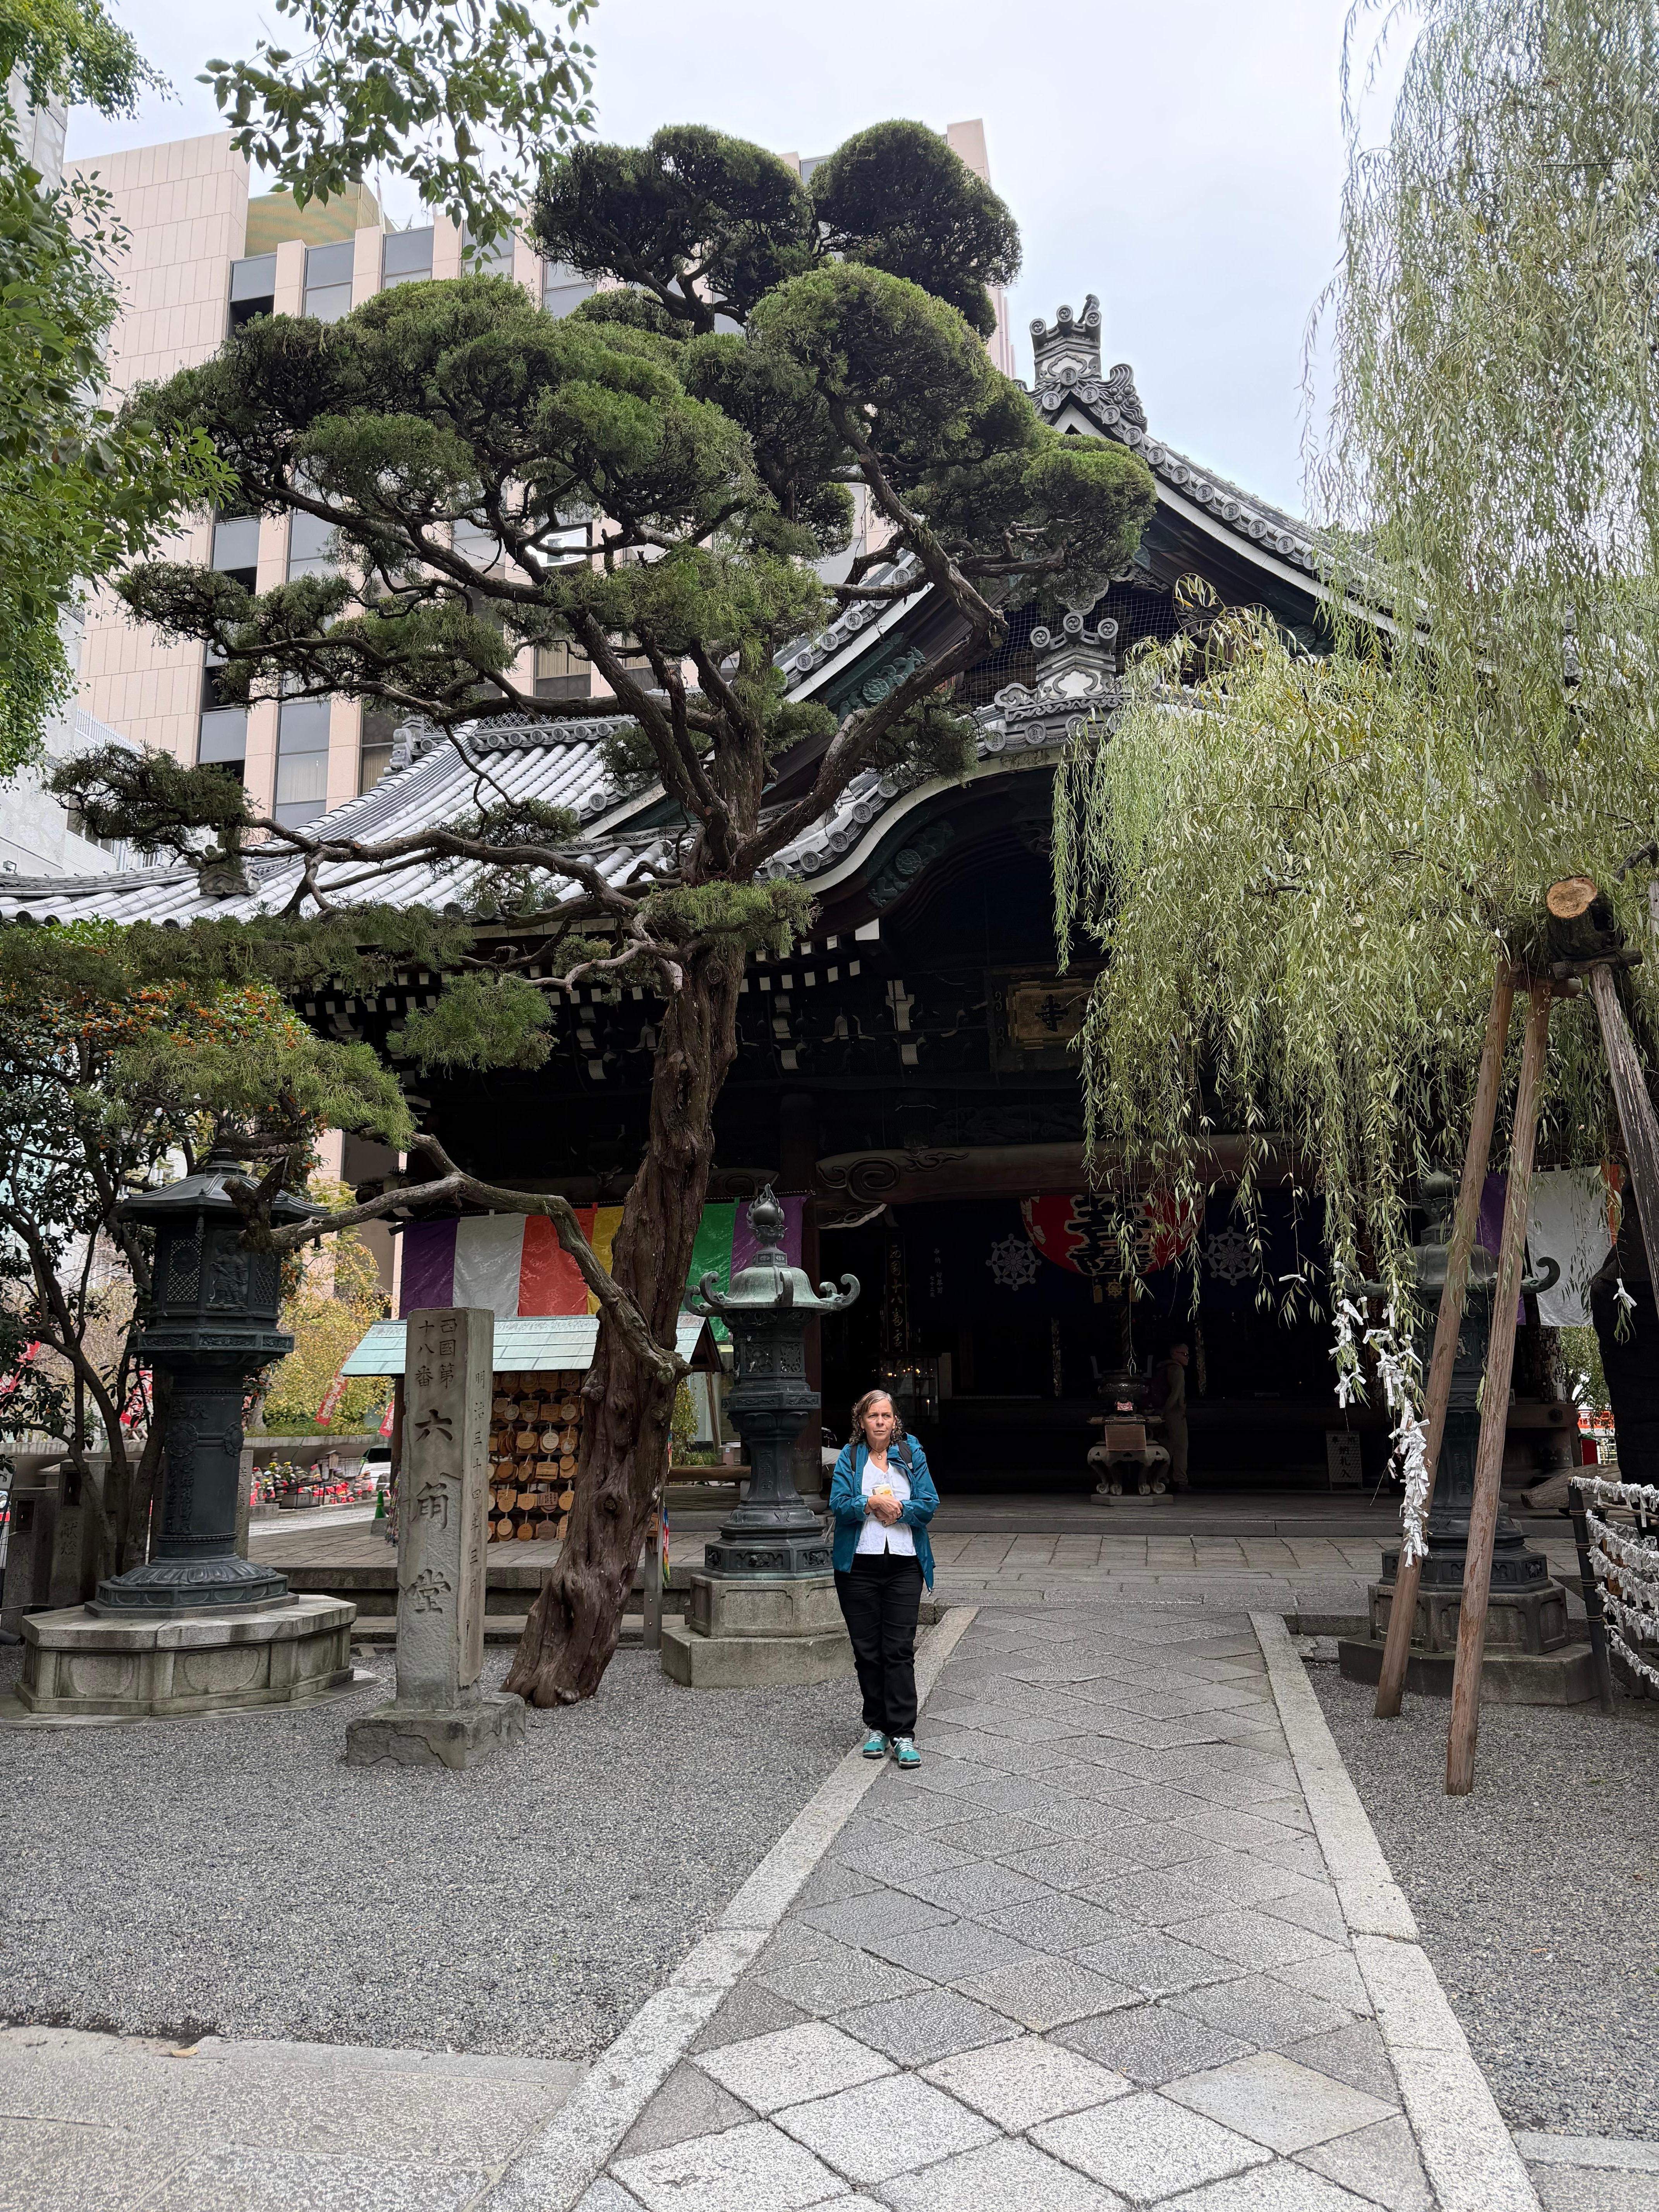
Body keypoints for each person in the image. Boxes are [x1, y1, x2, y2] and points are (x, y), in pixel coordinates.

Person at [828, 1389, 938, 1769]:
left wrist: (899, 1509)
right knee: (868, 1652)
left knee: (898, 1650)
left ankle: (904, 1734)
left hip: (904, 1566)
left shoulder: (911, 1454)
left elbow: (929, 1504)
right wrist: (870, 1503)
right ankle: (877, 1726)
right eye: (873, 1416)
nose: (880, 1422)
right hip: (858, 1567)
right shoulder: (851, 1456)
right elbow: (839, 1504)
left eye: (886, 1416)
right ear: (862, 1422)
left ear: (895, 1422)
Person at [1149, 1340, 1191, 1494]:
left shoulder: (1162, 1368)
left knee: (1167, 1447)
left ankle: (1161, 1478)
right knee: (1180, 1448)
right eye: (1184, 1354)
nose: (1187, 1358)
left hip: (1164, 1413)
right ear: (1174, 1354)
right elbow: (1175, 1394)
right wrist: (1167, 1411)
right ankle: (1180, 1480)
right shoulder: (1177, 1370)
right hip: (1174, 1414)